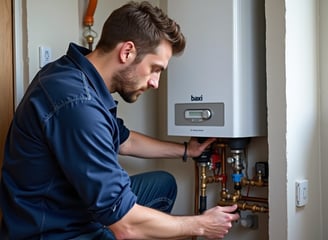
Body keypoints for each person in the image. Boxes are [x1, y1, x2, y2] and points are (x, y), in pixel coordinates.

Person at [0, 1, 239, 239]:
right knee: (131, 225)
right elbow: (126, 226)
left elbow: (126, 141)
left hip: (70, 206)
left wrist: (188, 150)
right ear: (127, 52)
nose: (155, 82)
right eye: (155, 69)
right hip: (56, 230)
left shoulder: (74, 74)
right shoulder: (78, 104)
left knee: (162, 184)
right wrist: (200, 225)